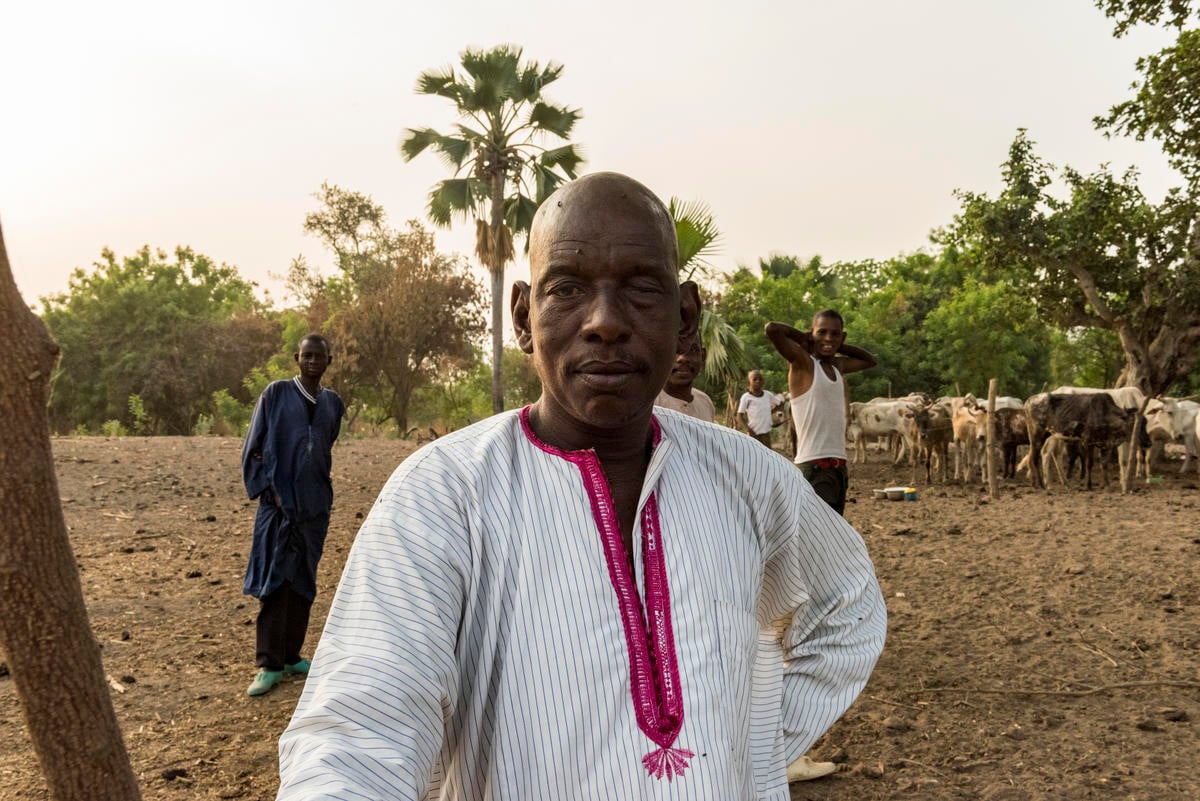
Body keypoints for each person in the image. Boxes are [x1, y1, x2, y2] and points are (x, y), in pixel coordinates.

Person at [276, 173, 885, 800]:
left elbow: (848, 606)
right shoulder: (442, 494)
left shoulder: (749, 476)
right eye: (567, 288)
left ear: (685, 318)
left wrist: (747, 747)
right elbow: (355, 736)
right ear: (523, 316)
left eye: (641, 289)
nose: (605, 323)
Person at [241, 334, 345, 697]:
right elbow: (253, 447)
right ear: (296, 358)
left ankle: (291, 656)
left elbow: (324, 445)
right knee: (275, 579)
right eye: (307, 355)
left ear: (329, 361)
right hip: (278, 507)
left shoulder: (333, 404)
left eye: (319, 356)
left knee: (303, 579)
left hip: (314, 507)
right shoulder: (276, 394)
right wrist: (269, 492)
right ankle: (269, 664)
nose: (313, 361)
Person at [765, 312, 876, 515]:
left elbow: (870, 360)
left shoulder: (837, 366)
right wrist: (806, 339)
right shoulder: (804, 364)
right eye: (822, 332)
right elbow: (772, 329)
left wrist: (836, 346)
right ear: (811, 333)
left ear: (843, 337)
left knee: (832, 530)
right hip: (814, 466)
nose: (828, 338)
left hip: (838, 466)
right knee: (816, 531)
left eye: (835, 334)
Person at [654, 336, 716, 422]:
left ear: (702, 356)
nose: (682, 358)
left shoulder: (705, 402)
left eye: (692, 350)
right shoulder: (648, 405)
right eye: (673, 350)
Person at [737, 369, 785, 447]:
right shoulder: (746, 397)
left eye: (760, 379)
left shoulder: (768, 394)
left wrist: (770, 412)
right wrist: (748, 430)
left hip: (766, 433)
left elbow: (780, 403)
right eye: (754, 379)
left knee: (767, 452)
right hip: (753, 434)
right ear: (749, 383)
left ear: (763, 381)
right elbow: (739, 416)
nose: (758, 381)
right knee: (754, 453)